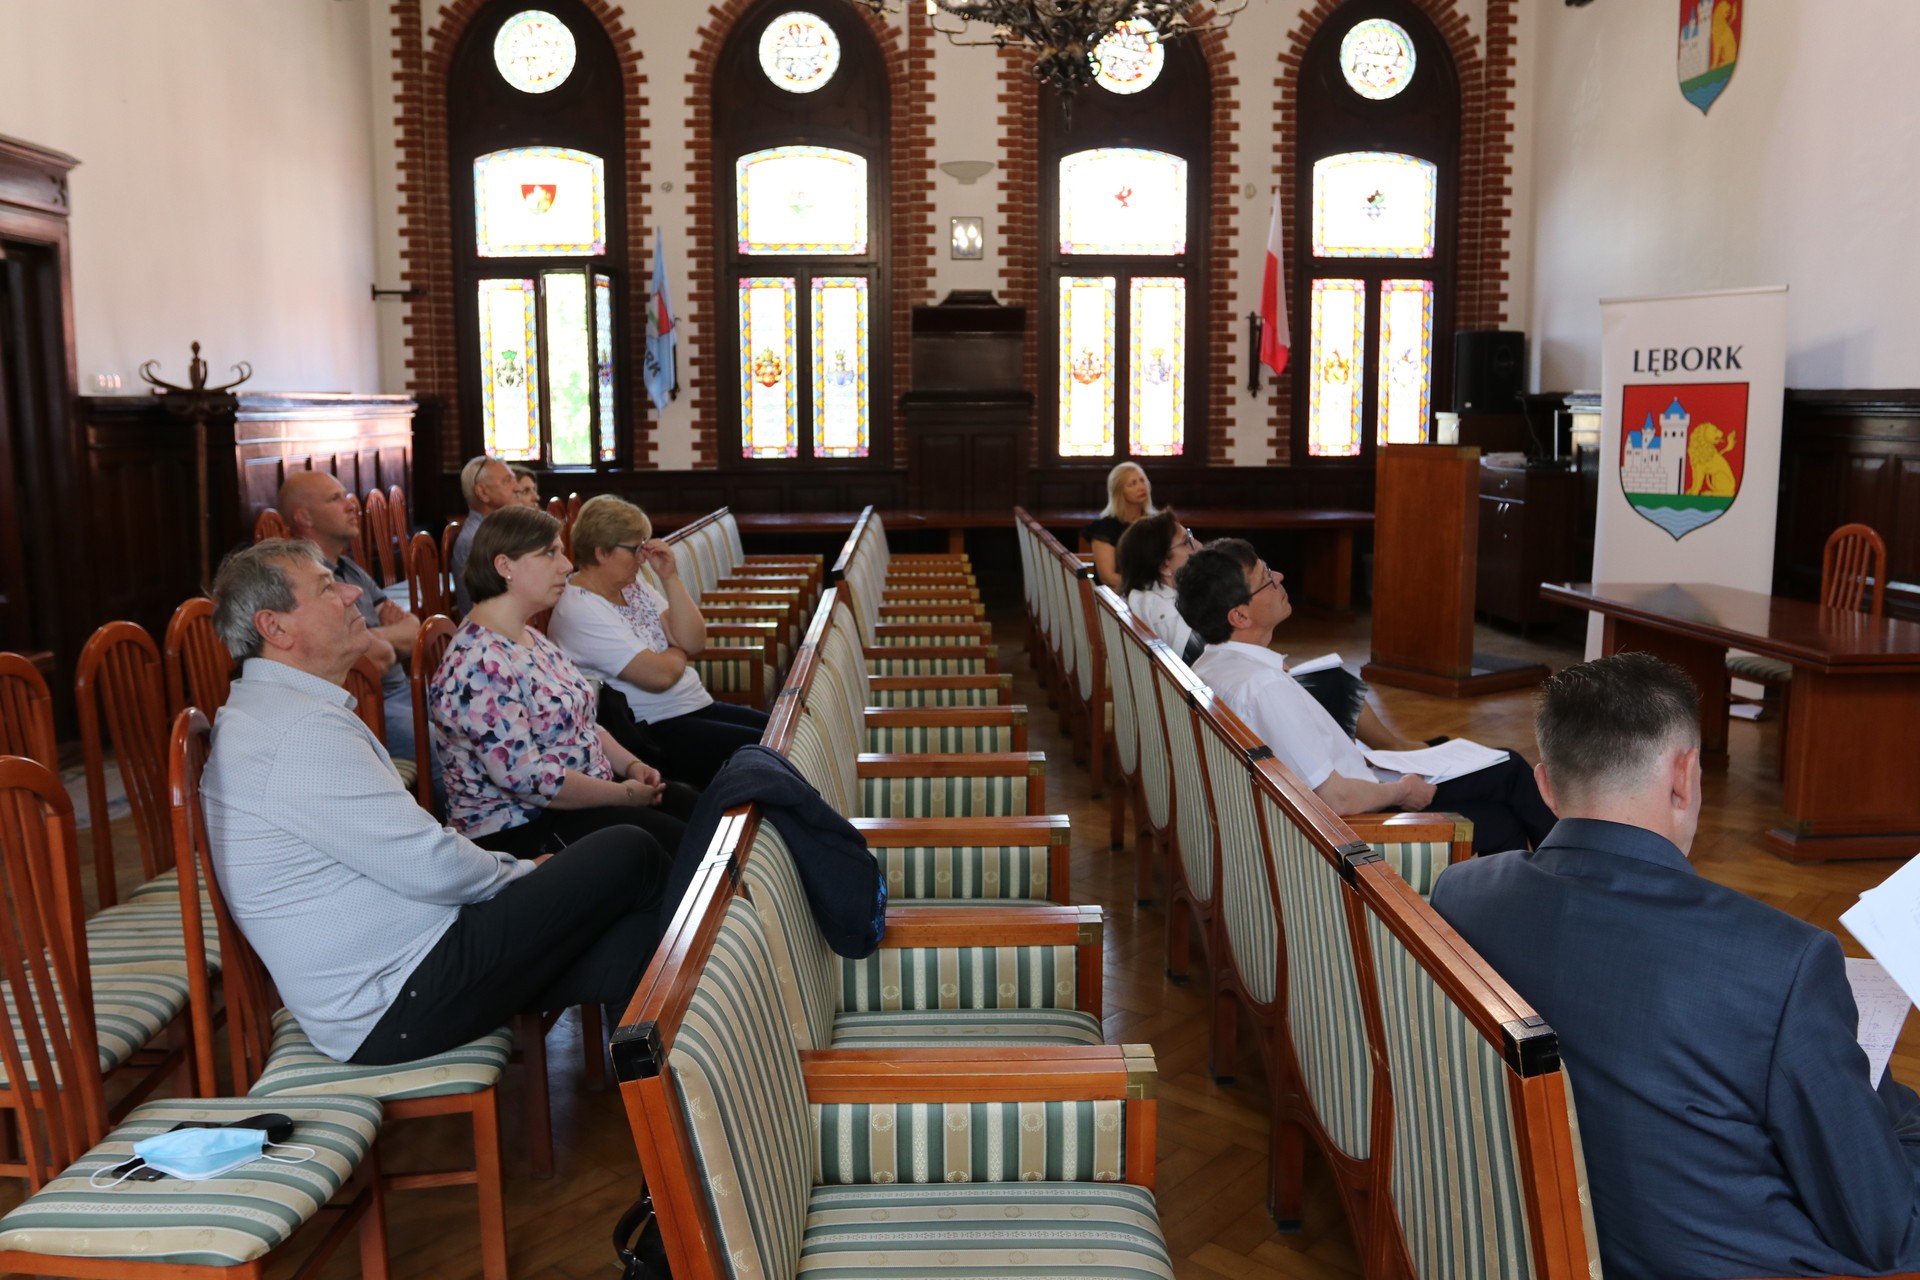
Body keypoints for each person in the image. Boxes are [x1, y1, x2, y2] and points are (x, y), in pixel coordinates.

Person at [1430, 653, 1920, 1279]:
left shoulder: (1462, 892)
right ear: (1684, 776)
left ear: (1545, 785)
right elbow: (1887, 1231)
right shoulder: (1784, 961)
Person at [200, 538, 672, 1066]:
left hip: (404, 969)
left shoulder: (272, 711)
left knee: (632, 939)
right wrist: (523, 872)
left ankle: (656, 1088)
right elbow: (429, 865)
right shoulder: (296, 733)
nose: (353, 593)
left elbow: (415, 858)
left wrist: (520, 876)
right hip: (395, 997)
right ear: (276, 627)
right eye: (327, 588)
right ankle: (674, 1083)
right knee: (631, 850)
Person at [1176, 539, 1553, 852]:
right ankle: (1573, 879)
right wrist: (1402, 790)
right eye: (1266, 579)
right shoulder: (1263, 686)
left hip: (1359, 789)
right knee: (1507, 783)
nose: (1279, 577)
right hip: (1362, 821)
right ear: (1240, 617)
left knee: (1503, 774)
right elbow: (1335, 798)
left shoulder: (1211, 664)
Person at [431, 505, 690, 858]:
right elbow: (529, 779)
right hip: (524, 827)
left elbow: (583, 721)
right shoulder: (477, 663)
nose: (567, 565)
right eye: (551, 553)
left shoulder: (529, 636)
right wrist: (625, 794)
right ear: (505, 566)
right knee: (686, 847)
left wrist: (632, 766)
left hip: (584, 796)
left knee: (698, 810)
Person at [549, 495, 769, 789]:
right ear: (602, 553)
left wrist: (670, 577)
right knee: (774, 752)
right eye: (635, 549)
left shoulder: (632, 585)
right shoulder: (580, 609)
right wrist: (677, 650)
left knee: (784, 732)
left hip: (694, 705)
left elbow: (693, 640)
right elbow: (659, 677)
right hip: (656, 729)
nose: (642, 558)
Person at [277, 470, 426, 770]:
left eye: (346, 496)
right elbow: (376, 659)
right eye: (335, 499)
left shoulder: (349, 568)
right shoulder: (303, 582)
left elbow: (414, 631)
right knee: (449, 751)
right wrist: (384, 639)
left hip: (405, 690)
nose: (351, 505)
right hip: (368, 707)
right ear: (304, 517)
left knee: (476, 719)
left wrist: (372, 638)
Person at [1116, 510, 1202, 662]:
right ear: (1163, 566)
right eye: (1186, 542)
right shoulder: (1170, 616)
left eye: (1191, 536)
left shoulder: (1141, 595)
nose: (1199, 546)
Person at [450, 454, 517, 615]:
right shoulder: (476, 540)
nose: (517, 488)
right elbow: (493, 609)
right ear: (483, 492)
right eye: (507, 481)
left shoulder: (497, 530)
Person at [1083, 461, 1155, 592]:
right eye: (1133, 484)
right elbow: (1108, 577)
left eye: (1142, 480)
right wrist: (1145, 587)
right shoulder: (1105, 528)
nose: (1141, 487)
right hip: (1117, 595)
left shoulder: (1156, 523)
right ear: (1119, 491)